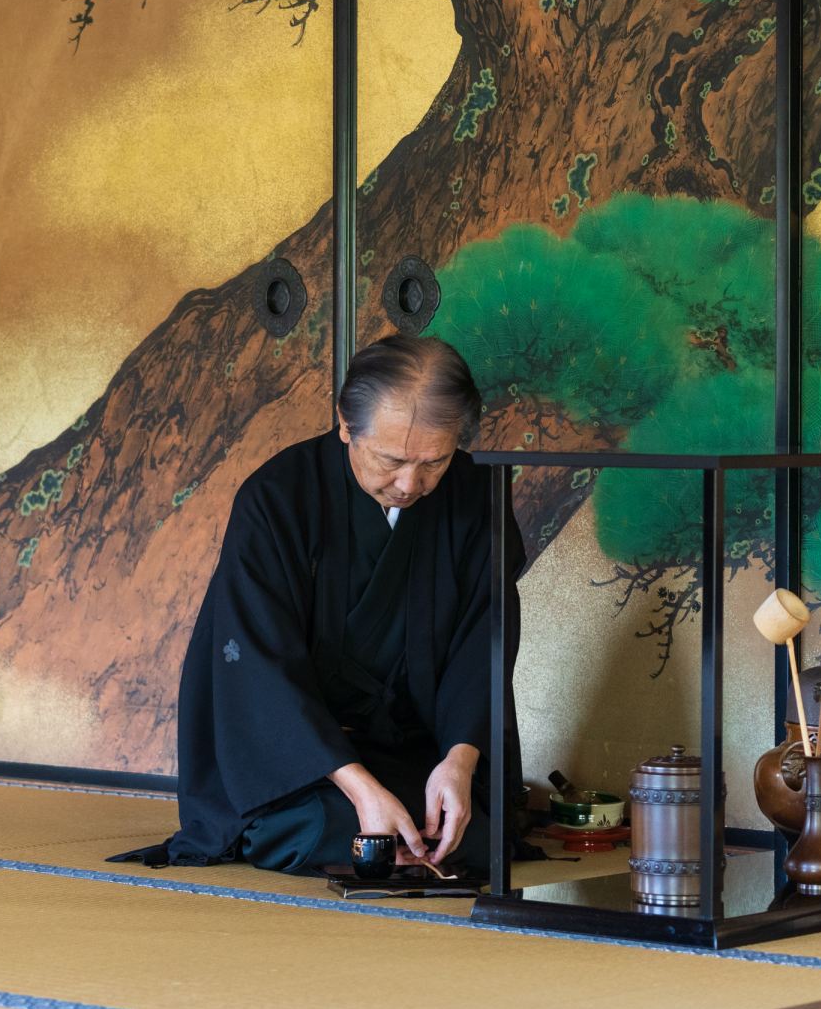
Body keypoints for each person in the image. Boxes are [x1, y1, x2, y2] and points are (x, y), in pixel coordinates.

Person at [116, 334, 525, 877]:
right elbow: (259, 665)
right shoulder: (277, 499)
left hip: (418, 746)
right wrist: (359, 788)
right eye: (391, 459)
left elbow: (485, 641)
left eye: (434, 462)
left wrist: (459, 761)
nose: (410, 483)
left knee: (477, 833)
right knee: (308, 827)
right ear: (344, 424)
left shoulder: (476, 495)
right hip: (303, 760)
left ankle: (406, 822)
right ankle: (363, 813)